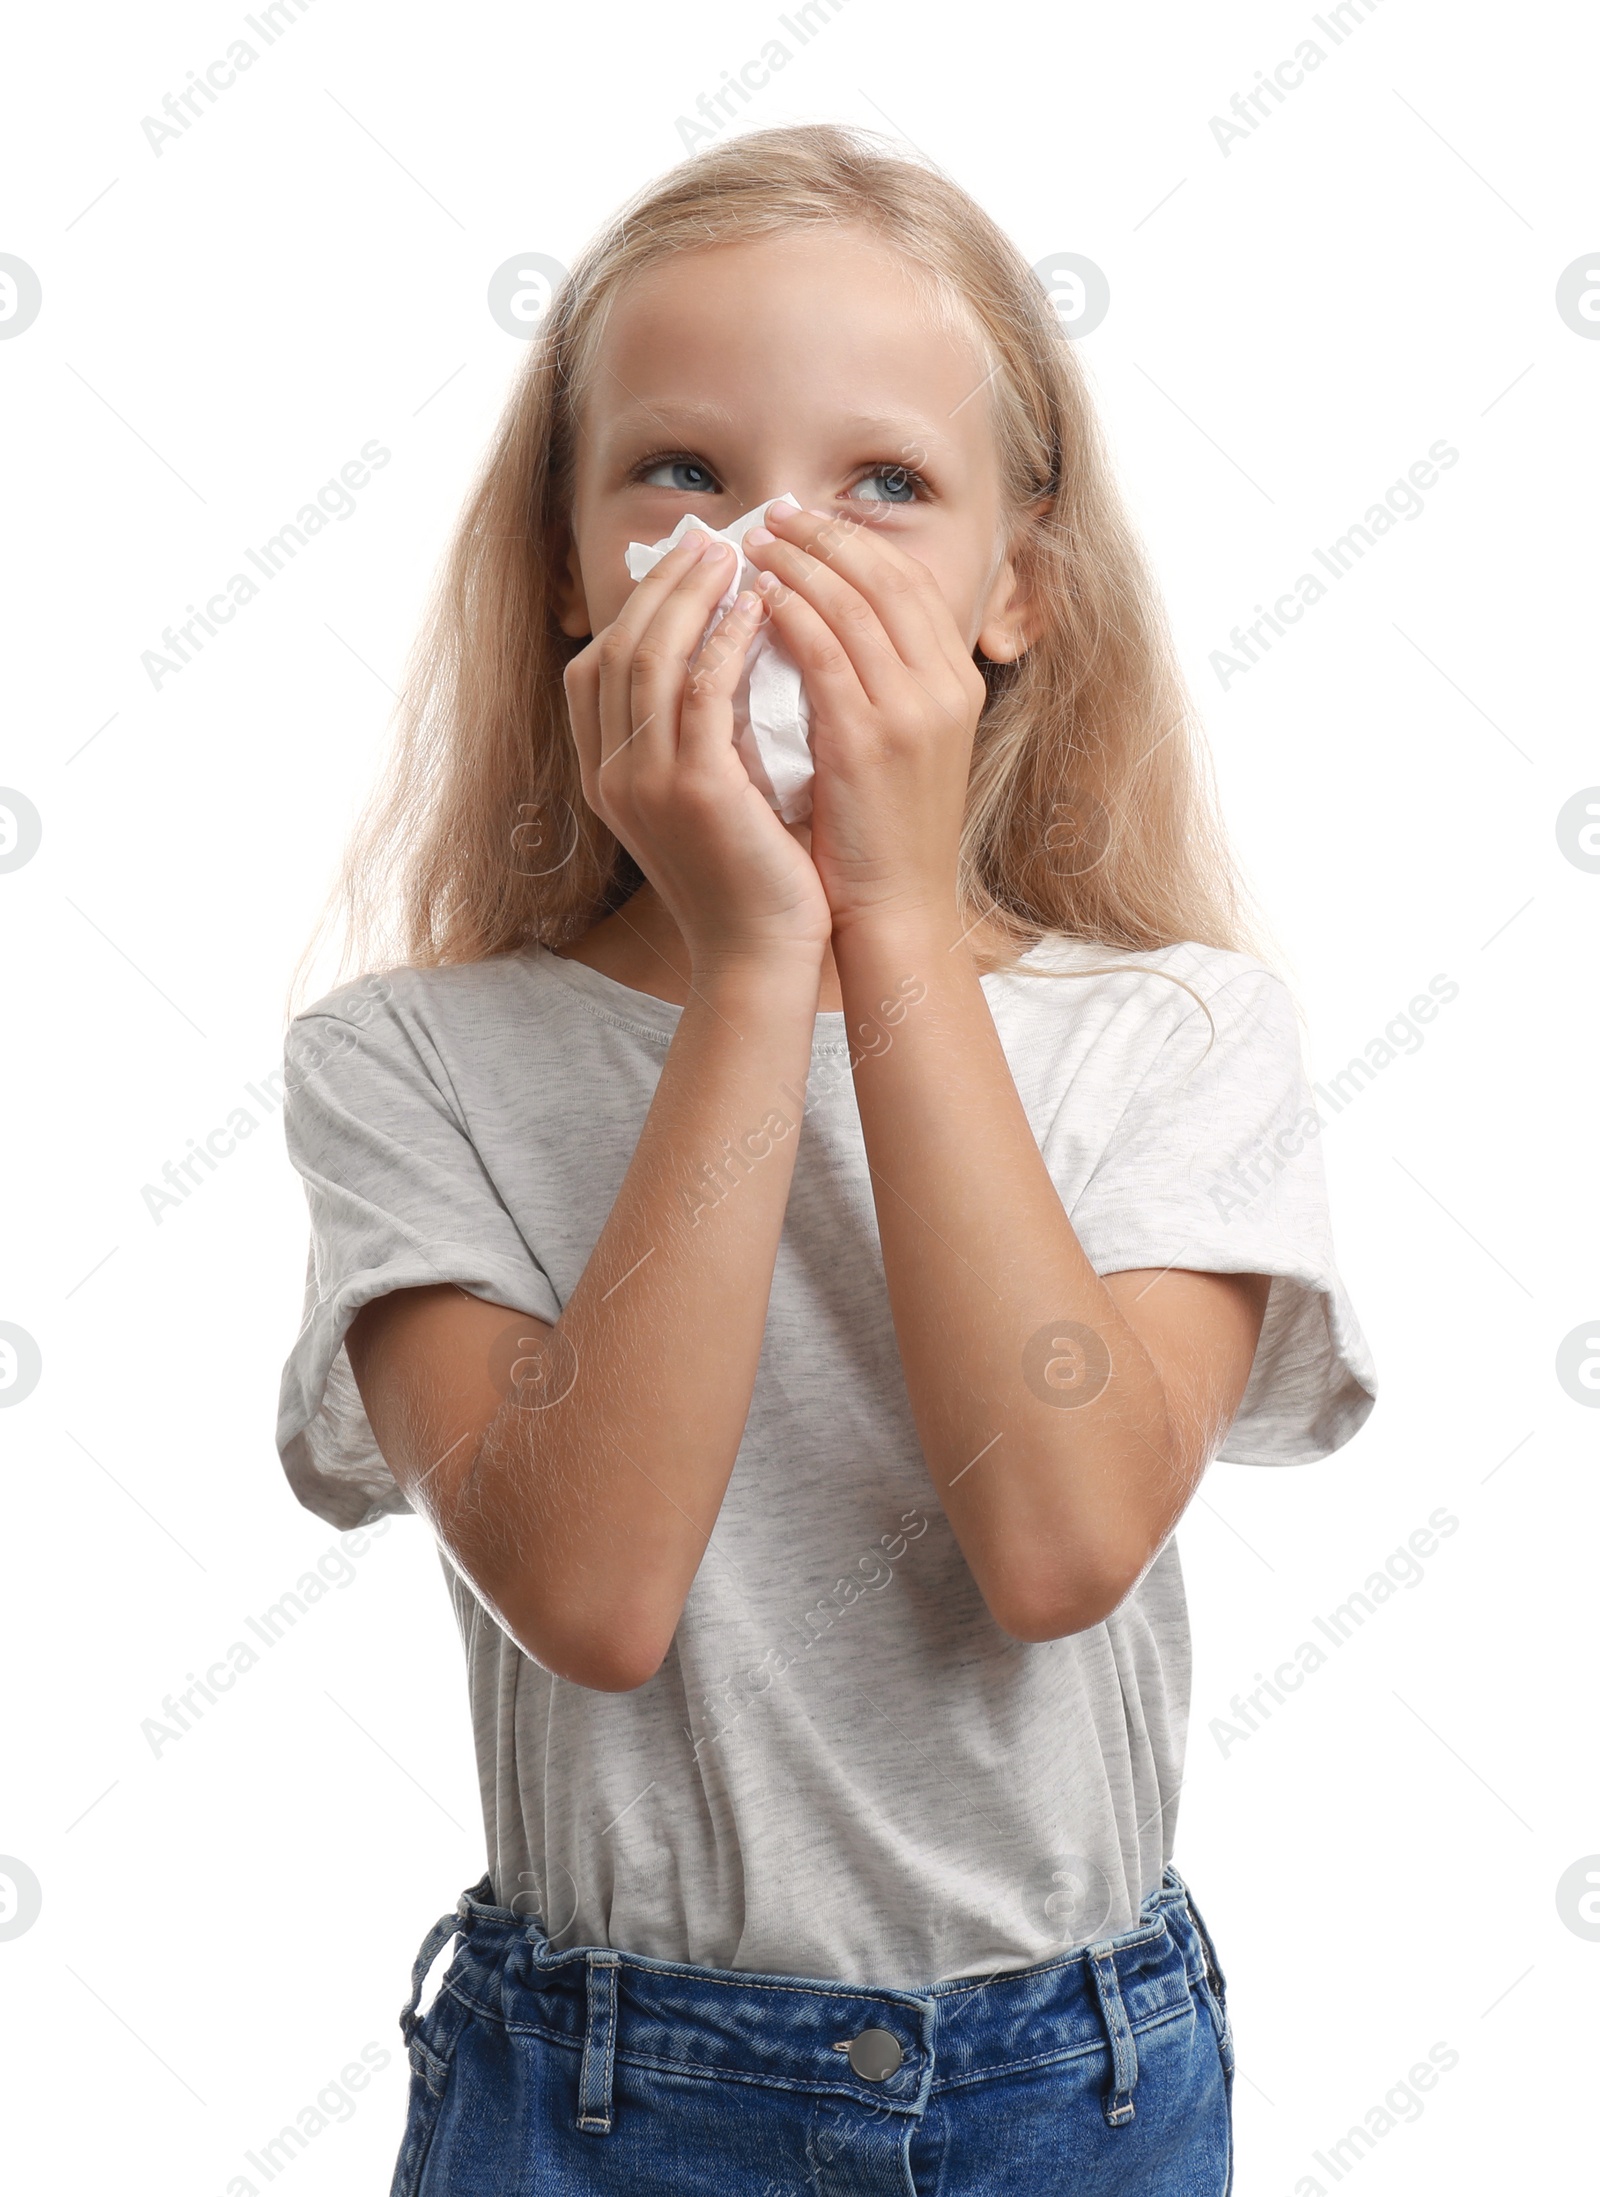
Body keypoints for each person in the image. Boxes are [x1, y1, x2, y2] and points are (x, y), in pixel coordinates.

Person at [275, 122, 1377, 2197]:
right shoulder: (411, 1060)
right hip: (594, 2098)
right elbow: (591, 1593)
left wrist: (884, 918)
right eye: (679, 473)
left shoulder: (1174, 1036)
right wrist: (757, 954)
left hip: (1077, 2092)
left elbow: (1056, 1545)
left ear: (1013, 588)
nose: (772, 544)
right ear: (564, 566)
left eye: (882, 481)